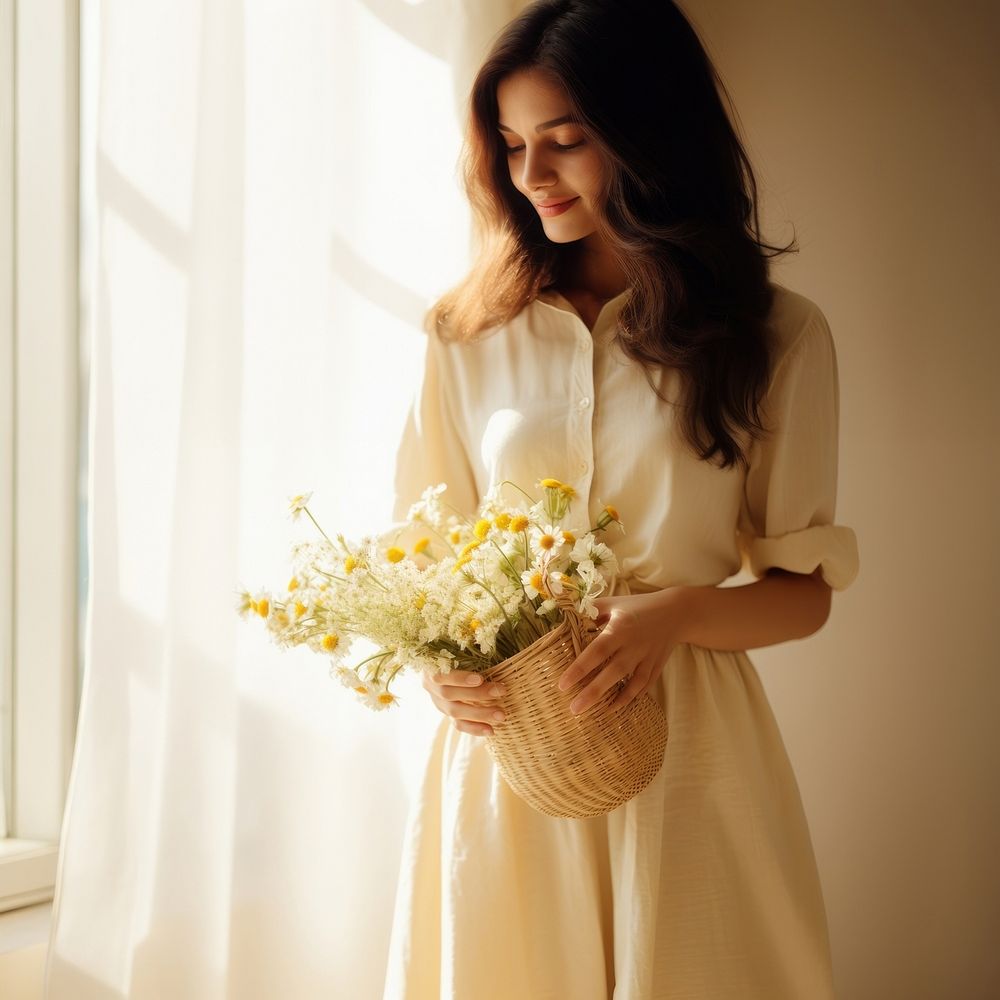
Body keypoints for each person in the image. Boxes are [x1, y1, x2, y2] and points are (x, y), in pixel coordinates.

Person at [385, 2, 859, 997]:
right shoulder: (464, 332)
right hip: (513, 751)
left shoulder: (774, 337)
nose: (532, 177)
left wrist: (681, 610)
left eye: (565, 141)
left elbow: (803, 591)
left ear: (651, 136)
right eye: (511, 146)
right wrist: (441, 673)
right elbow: (419, 561)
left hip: (691, 745)